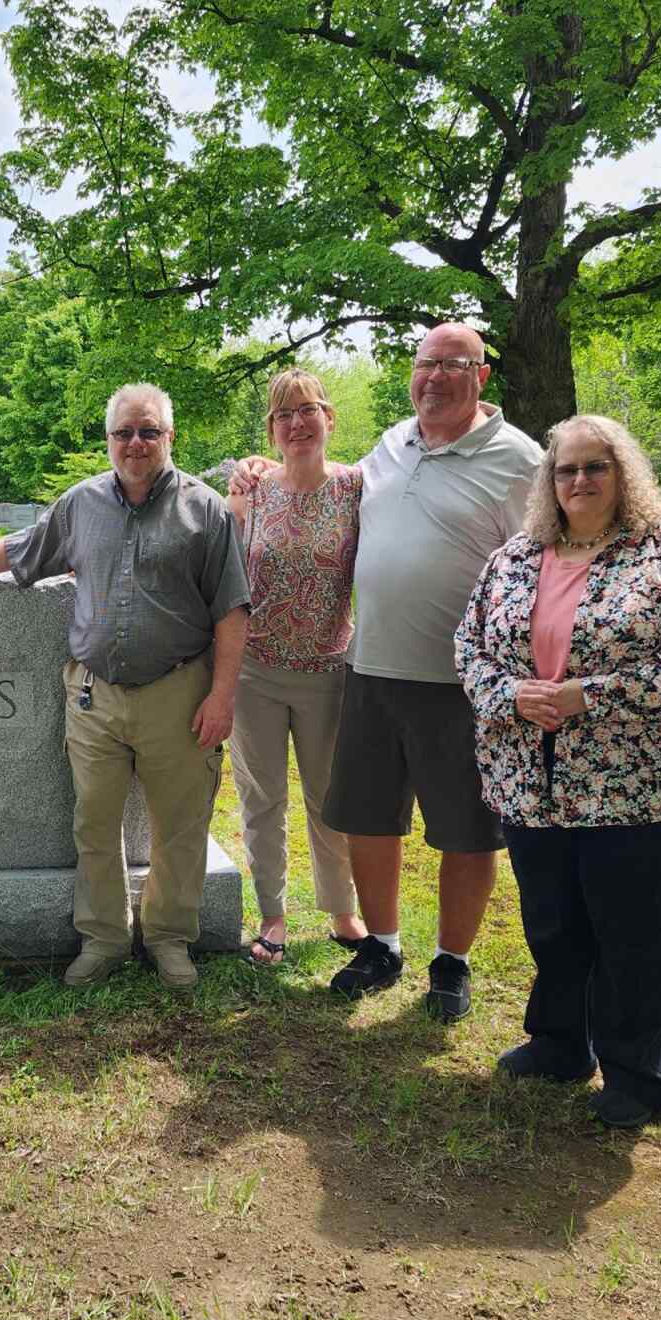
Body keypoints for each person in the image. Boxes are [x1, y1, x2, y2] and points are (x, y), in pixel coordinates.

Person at [0, 383, 250, 990]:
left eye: (148, 432)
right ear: (108, 439)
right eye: (123, 433)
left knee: (180, 827)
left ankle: (168, 938)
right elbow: (24, 550)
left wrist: (221, 697)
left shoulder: (205, 509)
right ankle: (104, 938)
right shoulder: (81, 503)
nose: (135, 444)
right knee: (93, 823)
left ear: (169, 437)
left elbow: (232, 611)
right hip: (94, 697)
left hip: (179, 695)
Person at [235, 324, 541, 1019]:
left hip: (459, 680)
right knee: (370, 819)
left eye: (452, 365)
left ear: (482, 376)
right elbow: (295, 480)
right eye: (424, 364)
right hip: (368, 669)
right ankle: (383, 945)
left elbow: (538, 566)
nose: (434, 378)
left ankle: (452, 962)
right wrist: (255, 464)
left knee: (465, 827)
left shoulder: (521, 461)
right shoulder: (390, 447)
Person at [456, 415, 661, 1127]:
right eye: (566, 470)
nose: (579, 481)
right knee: (554, 925)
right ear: (548, 482)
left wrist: (591, 695)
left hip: (644, 787)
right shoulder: (517, 556)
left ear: (624, 473)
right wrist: (509, 693)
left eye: (595, 467)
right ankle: (559, 1044)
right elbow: (469, 646)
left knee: (633, 933)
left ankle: (640, 1076)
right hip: (533, 783)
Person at [226, 369, 366, 965]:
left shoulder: (358, 487)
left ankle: (341, 910)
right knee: (262, 799)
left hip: (328, 671)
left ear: (329, 419)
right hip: (254, 672)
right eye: (284, 415)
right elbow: (222, 570)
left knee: (330, 797)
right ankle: (273, 915)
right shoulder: (250, 491)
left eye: (307, 410)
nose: (297, 423)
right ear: (272, 430)